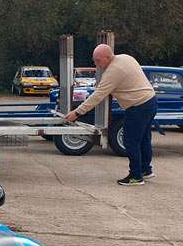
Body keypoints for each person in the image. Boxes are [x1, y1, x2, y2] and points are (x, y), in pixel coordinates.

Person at [64, 44, 157, 186]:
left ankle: (136, 176)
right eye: (94, 60)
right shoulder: (126, 58)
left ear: (108, 57)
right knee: (143, 139)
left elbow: (98, 95)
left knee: (130, 142)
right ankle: (146, 170)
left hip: (138, 107)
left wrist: (77, 112)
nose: (96, 64)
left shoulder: (113, 71)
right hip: (150, 101)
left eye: (98, 60)